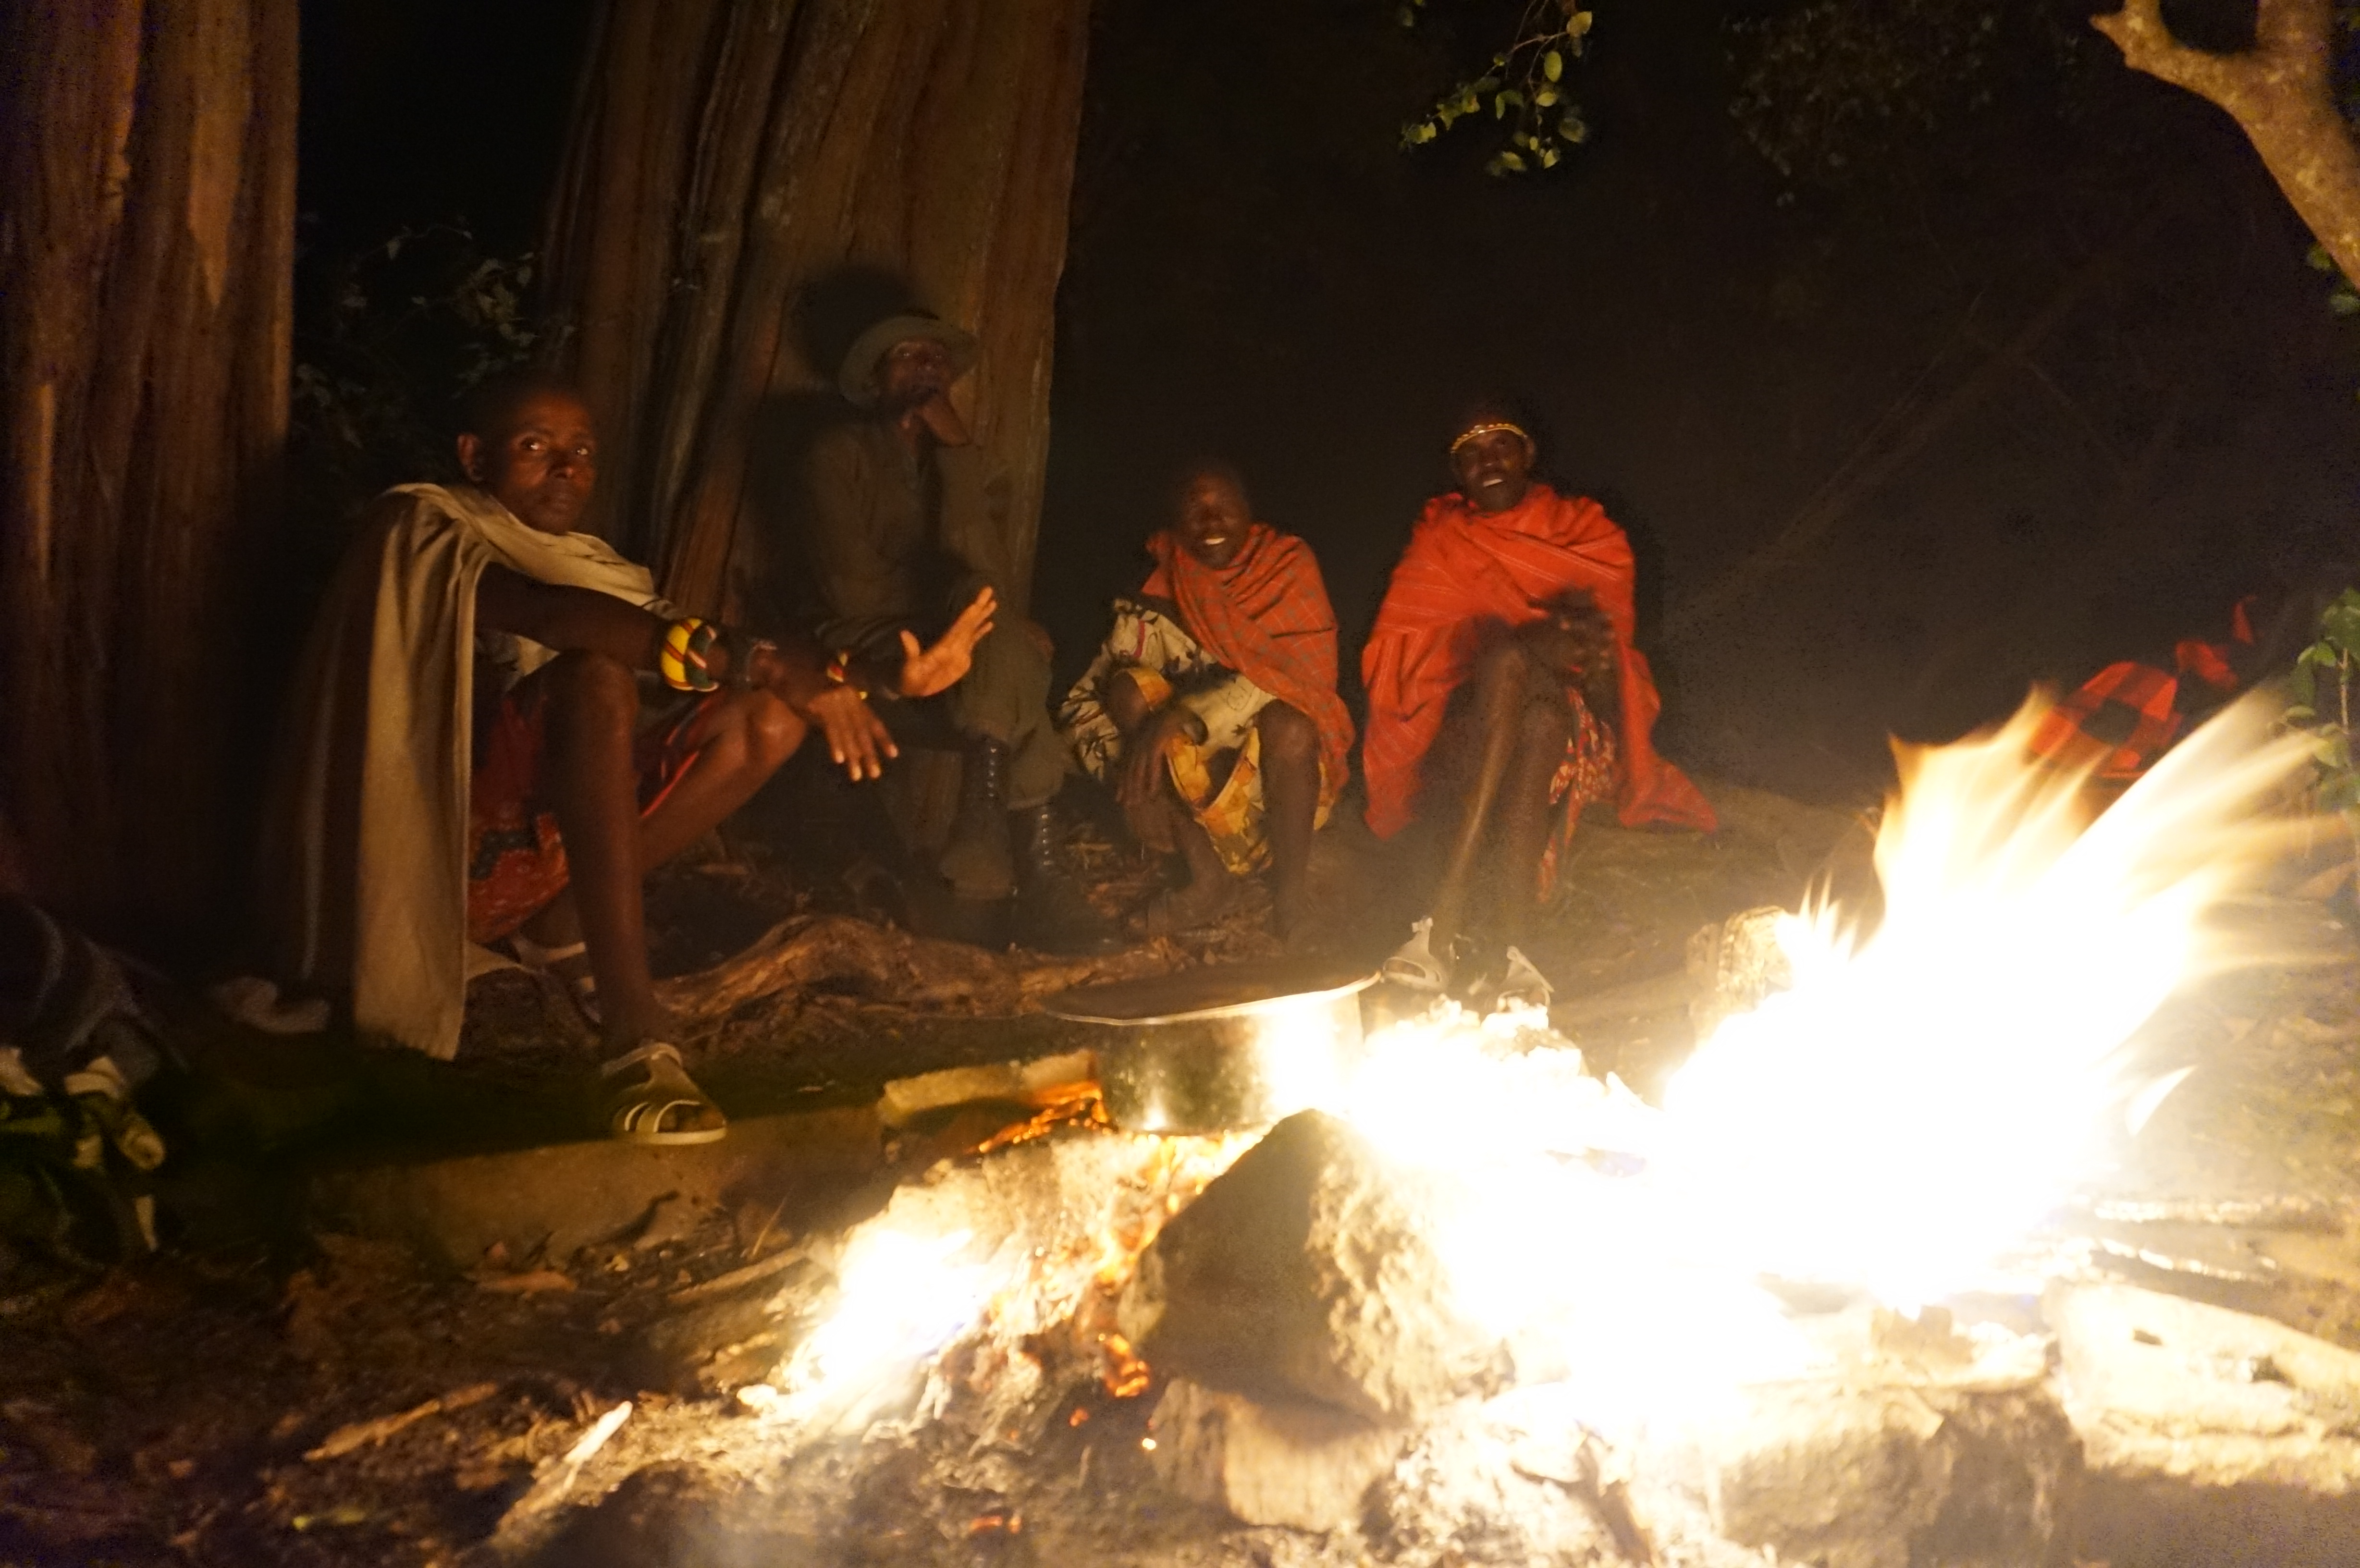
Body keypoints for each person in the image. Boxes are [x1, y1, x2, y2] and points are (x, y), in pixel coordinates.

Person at [263, 371, 993, 1143]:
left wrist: (881, 677)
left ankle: (562, 925)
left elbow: (722, 652)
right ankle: (634, 1032)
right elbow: (552, 615)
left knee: (770, 716)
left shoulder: (597, 566)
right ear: (475, 457)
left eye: (582, 451)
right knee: (595, 677)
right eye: (536, 446)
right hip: (425, 862)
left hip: (528, 867)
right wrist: (763, 663)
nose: (566, 468)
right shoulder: (419, 526)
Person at [772, 310, 1117, 953]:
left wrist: (957, 452)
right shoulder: (835, 455)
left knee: (1001, 633)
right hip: (862, 643)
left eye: (935, 359)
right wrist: (961, 618)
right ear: (876, 379)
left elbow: (988, 582)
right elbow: (852, 591)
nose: (926, 369)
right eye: (908, 356)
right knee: (1010, 644)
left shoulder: (962, 468)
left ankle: (997, 849)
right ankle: (1031, 875)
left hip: (959, 651)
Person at [1361, 404, 1716, 975]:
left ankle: (1441, 918)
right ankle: (1517, 951)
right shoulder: (1442, 539)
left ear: (1527, 454)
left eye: (1501, 446)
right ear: (1457, 472)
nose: (1488, 463)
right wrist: (1539, 642)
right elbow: (1409, 659)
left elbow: (1606, 669)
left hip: (1577, 742)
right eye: (1471, 454)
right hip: (1476, 725)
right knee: (1526, 706)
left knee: (1530, 697)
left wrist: (1539, 653)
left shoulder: (1583, 532)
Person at [1059, 463, 1352, 940]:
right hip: (1188, 804)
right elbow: (1084, 701)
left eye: (1224, 507)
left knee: (1291, 725)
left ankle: (1291, 897)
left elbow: (1300, 679)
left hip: (1271, 794)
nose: (1211, 522)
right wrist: (1129, 779)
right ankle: (1208, 880)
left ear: (1249, 512)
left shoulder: (1286, 566)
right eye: (1195, 510)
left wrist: (1181, 717)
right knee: (1126, 689)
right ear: (1176, 521)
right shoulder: (1160, 586)